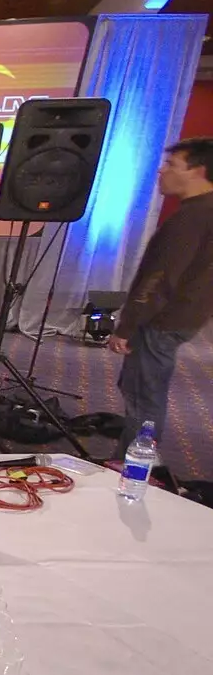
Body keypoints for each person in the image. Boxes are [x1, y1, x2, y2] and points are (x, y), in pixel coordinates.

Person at [108, 137, 213, 468]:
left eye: (172, 165)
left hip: (161, 321)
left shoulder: (193, 217)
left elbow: (161, 279)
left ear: (197, 171)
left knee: (144, 396)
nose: (162, 171)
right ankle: (131, 459)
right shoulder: (202, 212)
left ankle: (136, 466)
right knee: (143, 391)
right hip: (179, 318)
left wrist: (127, 325)